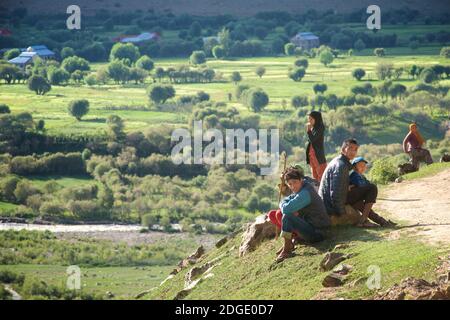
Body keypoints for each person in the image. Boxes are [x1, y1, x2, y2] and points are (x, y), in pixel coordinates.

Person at [276, 167, 331, 263]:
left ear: (301, 180)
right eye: (290, 184)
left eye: (295, 182)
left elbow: (286, 209)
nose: (293, 186)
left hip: (319, 232)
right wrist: (284, 205)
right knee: (279, 214)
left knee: (287, 216)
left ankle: (287, 249)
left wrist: (285, 206)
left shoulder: (305, 193)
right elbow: (284, 201)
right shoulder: (302, 188)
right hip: (310, 227)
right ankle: (290, 243)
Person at [319, 138, 359, 224]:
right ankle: (365, 220)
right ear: (343, 149)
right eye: (350, 148)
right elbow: (335, 192)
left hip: (328, 204)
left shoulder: (342, 162)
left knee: (362, 189)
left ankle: (366, 219)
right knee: (370, 189)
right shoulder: (341, 166)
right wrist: (341, 212)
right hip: (329, 207)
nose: (353, 152)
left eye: (355, 149)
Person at [348, 157, 396, 227]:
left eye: (364, 166)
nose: (363, 167)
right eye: (360, 166)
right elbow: (362, 185)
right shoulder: (354, 174)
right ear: (355, 167)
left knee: (368, 211)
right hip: (353, 197)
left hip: (357, 198)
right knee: (372, 188)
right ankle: (364, 221)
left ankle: (383, 222)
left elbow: (366, 183)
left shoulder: (361, 176)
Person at [306, 111, 327, 183]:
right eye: (309, 119)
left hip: (317, 155)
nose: (309, 121)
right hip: (312, 155)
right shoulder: (314, 128)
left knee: (321, 174)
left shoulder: (320, 128)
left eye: (311, 119)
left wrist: (308, 130)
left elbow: (312, 139)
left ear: (316, 119)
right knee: (314, 175)